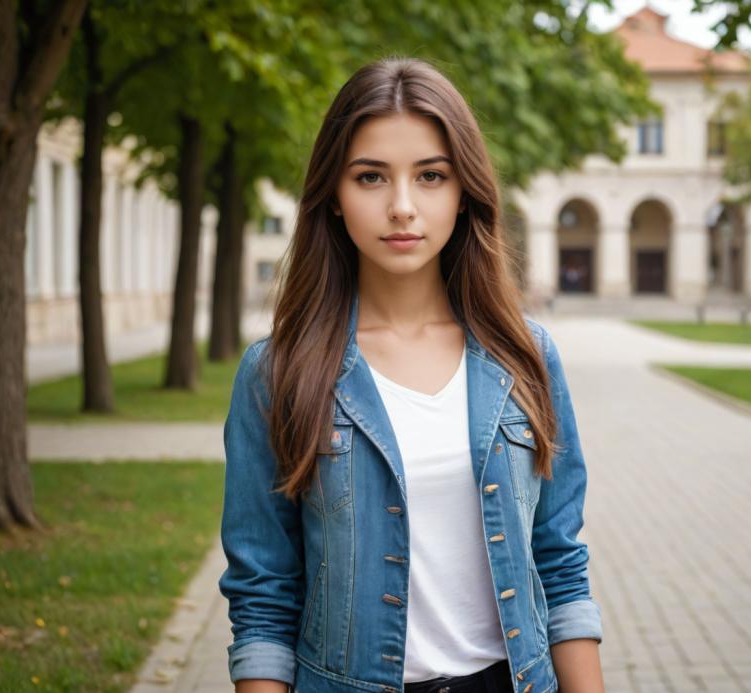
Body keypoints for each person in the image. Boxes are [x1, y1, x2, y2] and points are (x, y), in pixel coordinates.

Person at [219, 57, 605, 693]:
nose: (402, 206)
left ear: (463, 193)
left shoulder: (525, 356)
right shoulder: (278, 373)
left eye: (430, 176)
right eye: (371, 177)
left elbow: (559, 563)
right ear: (335, 198)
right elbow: (263, 598)